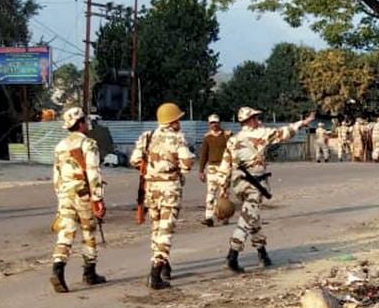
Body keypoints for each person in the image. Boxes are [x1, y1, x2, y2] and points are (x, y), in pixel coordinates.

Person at [217, 106, 315, 273]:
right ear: (249, 121)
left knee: (253, 218)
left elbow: (225, 164)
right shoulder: (261, 134)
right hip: (255, 184)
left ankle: (262, 253)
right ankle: (232, 255)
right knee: (247, 218)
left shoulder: (233, 139)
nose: (258, 120)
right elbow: (284, 132)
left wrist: (222, 188)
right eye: (255, 118)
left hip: (239, 184)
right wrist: (303, 122)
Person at [130, 103, 194, 290]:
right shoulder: (177, 138)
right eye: (178, 119)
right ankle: (155, 272)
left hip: (151, 188)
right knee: (166, 230)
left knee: (156, 228)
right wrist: (178, 169)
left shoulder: (147, 136)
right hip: (169, 188)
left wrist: (151, 170)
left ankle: (165, 266)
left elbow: (134, 160)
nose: (179, 122)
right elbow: (187, 163)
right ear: (173, 121)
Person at [49, 107, 106, 293]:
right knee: (88, 231)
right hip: (83, 193)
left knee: (65, 233)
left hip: (65, 194)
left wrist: (60, 195)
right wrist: (98, 199)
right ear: (81, 123)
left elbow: (56, 176)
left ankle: (58, 269)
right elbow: (93, 172)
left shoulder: (60, 146)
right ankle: (90, 273)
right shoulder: (89, 143)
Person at [198, 113, 232, 227]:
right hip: (212, 167)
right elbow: (203, 155)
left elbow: (234, 150)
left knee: (224, 193)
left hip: (225, 167)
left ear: (219, 123)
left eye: (216, 122)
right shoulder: (207, 137)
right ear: (209, 124)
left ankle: (225, 215)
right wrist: (201, 170)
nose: (214, 125)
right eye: (212, 123)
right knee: (211, 193)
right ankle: (209, 217)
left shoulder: (227, 135)